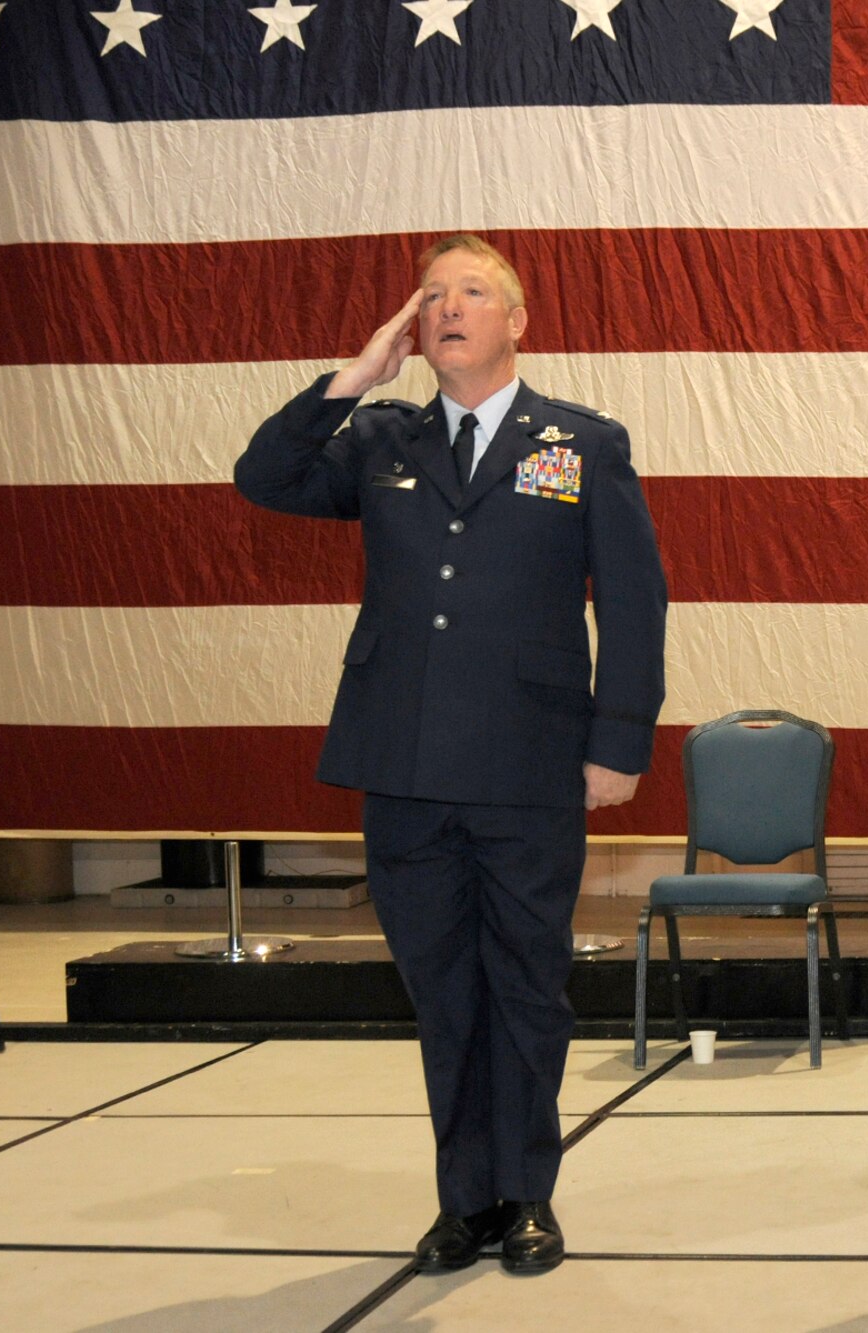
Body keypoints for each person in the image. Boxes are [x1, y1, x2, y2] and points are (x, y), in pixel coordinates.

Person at [234, 235, 667, 1275]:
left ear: (518, 321)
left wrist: (620, 741)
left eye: (472, 291)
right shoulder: (380, 437)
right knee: (440, 986)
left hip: (530, 761)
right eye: (431, 294)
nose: (446, 307)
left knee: (524, 983)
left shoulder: (580, 442)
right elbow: (265, 477)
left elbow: (636, 600)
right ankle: (460, 1198)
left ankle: (526, 1194)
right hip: (407, 759)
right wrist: (350, 380)